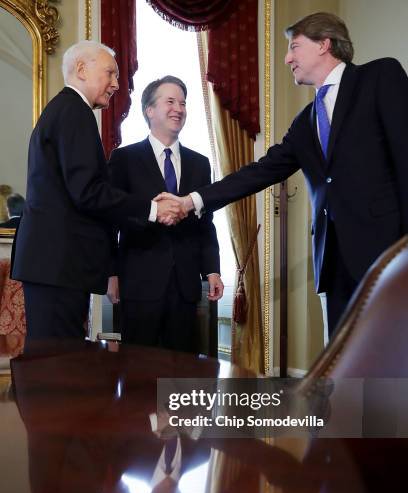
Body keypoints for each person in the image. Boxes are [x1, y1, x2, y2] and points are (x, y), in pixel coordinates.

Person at [157, 12, 408, 339]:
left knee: (392, 355)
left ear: (324, 44)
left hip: (386, 253)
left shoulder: (379, 77)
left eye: (294, 47)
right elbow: (259, 172)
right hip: (333, 263)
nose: (287, 58)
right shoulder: (305, 122)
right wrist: (192, 201)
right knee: (345, 362)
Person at [11, 41, 186, 339]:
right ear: (81, 69)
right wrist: (153, 209)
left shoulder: (63, 110)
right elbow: (89, 191)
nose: (116, 84)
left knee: (50, 364)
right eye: (110, 73)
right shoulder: (74, 112)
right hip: (59, 265)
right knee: (56, 365)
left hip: (54, 265)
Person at [108, 76, 223, 352]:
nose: (179, 109)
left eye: (183, 103)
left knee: (180, 371)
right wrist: (111, 274)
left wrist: (212, 269)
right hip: (138, 281)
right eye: (170, 101)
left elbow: (205, 222)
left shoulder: (200, 163)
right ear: (149, 110)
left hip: (184, 285)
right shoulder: (124, 159)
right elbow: (111, 220)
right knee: (137, 369)